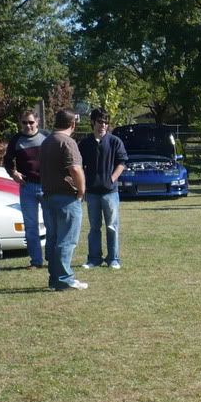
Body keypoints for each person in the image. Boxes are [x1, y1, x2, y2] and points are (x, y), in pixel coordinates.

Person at [40, 109, 87, 290]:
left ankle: (54, 279)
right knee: (67, 240)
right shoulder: (67, 142)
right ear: (72, 124)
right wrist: (81, 190)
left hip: (48, 197)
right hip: (66, 198)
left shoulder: (46, 142)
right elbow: (74, 168)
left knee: (53, 239)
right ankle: (65, 279)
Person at [78, 109, 128, 270]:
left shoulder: (115, 141)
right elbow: (78, 165)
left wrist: (112, 179)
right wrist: (83, 184)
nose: (103, 125)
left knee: (112, 226)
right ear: (93, 122)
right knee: (94, 227)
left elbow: (122, 162)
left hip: (110, 193)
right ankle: (94, 259)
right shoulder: (85, 143)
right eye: (100, 122)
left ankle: (113, 259)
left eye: (106, 122)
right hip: (92, 193)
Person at [2, 109, 48, 268]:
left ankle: (52, 258)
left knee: (51, 223)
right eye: (24, 122)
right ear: (20, 123)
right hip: (27, 187)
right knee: (30, 227)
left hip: (47, 186)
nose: (28, 125)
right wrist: (13, 173)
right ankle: (36, 261)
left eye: (31, 122)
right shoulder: (16, 140)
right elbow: (7, 161)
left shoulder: (46, 137)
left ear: (37, 122)